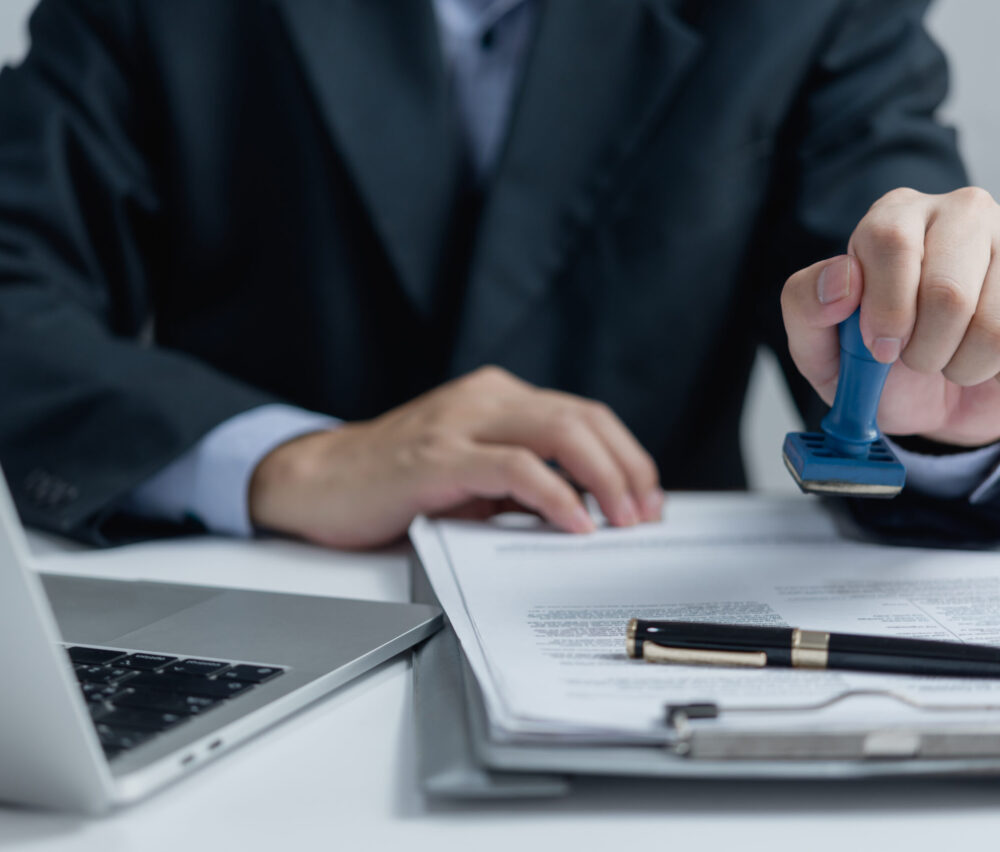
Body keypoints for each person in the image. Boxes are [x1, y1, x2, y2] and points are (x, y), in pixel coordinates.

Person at [1, 0, 1000, 550]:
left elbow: (885, 264)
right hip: (255, 592)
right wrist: (284, 462)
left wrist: (948, 401)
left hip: (641, 616)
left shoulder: (816, 13)